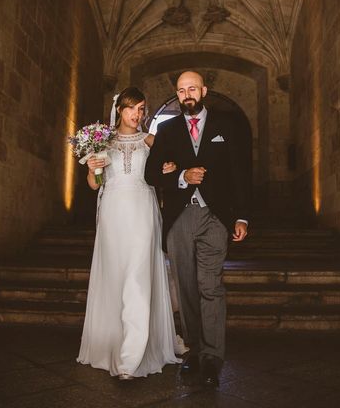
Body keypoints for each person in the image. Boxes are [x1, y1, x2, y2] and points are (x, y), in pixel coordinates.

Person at [144, 71, 251, 387]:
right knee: (187, 287)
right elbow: (151, 173)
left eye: (192, 88)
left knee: (210, 285)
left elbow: (239, 173)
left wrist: (242, 216)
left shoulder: (227, 125)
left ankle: (213, 358)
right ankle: (193, 352)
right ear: (177, 95)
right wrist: (180, 177)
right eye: (181, 90)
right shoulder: (165, 129)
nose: (187, 94)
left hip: (214, 217)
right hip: (179, 219)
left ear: (204, 90)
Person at [76, 87, 181, 379]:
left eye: (142, 109)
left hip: (142, 211)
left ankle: (131, 358)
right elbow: (95, 184)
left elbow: (163, 173)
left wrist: (170, 168)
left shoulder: (151, 141)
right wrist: (92, 169)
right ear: (119, 110)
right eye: (132, 109)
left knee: (137, 276)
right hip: (112, 213)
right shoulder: (101, 141)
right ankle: (112, 342)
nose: (137, 114)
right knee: (115, 276)